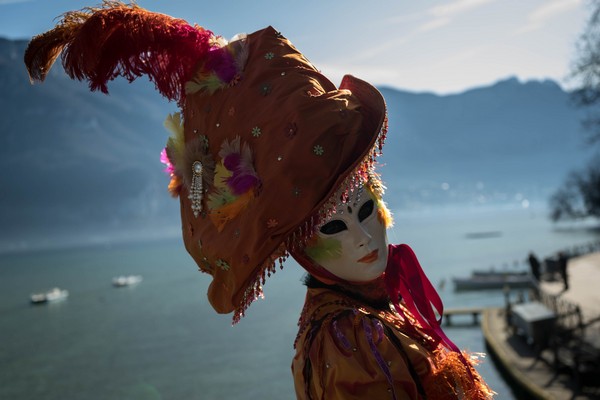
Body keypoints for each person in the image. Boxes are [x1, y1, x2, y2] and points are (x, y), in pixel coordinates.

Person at [24, 3, 493, 398]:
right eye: (332, 226)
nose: (364, 236)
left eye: (367, 208)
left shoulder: (371, 308)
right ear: (300, 243)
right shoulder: (351, 339)